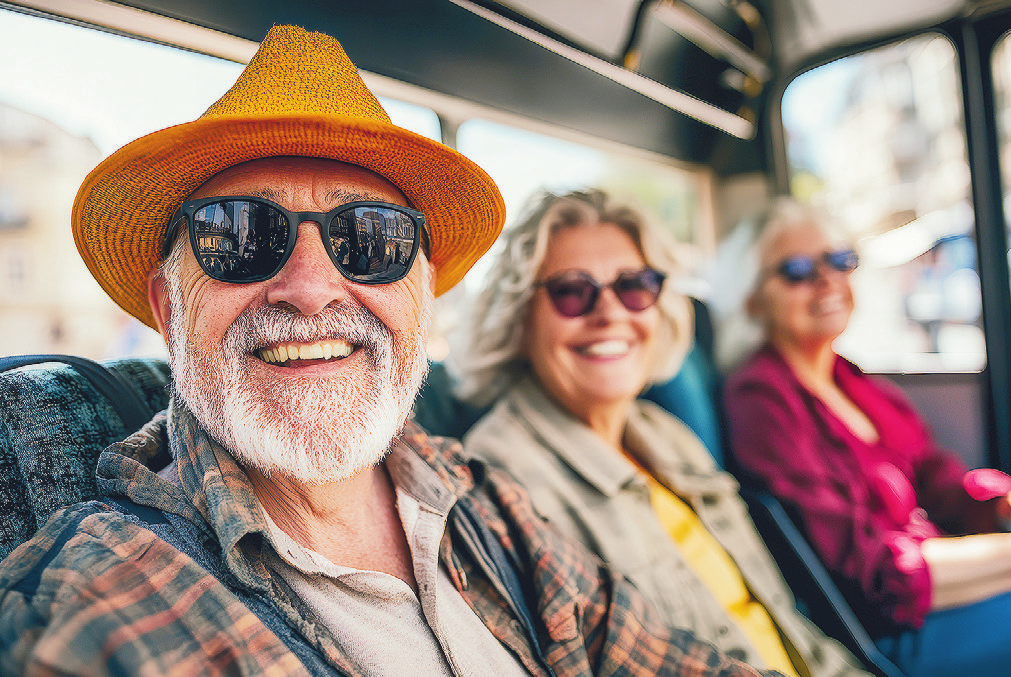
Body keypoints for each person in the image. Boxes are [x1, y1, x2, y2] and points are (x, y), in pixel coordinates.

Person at [0, 25, 781, 677]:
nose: (310, 288)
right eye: (237, 236)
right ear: (169, 308)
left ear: (421, 293)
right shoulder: (92, 611)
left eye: (368, 239)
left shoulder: (484, 500)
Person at [456, 189, 869, 677]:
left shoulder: (669, 436)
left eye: (634, 286)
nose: (611, 312)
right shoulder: (498, 485)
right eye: (572, 290)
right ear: (519, 318)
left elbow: (784, 622)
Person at [723, 197, 1011, 677]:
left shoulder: (850, 380)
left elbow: (937, 478)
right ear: (753, 298)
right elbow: (869, 576)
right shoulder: (760, 399)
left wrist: (1001, 500)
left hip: (939, 583)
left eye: (840, 261)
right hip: (891, 634)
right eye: (796, 270)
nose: (828, 280)